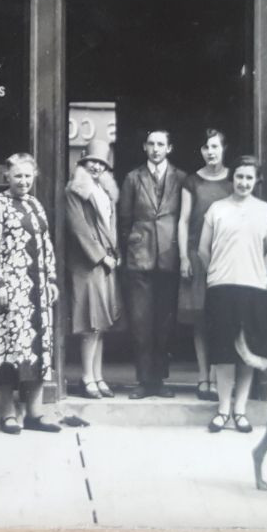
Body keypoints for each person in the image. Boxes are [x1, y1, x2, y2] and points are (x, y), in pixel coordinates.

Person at [0, 152, 62, 434]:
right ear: (7, 176)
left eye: (28, 176)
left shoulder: (36, 205)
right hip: (10, 292)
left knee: (38, 349)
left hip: (37, 291)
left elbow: (46, 245)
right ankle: (8, 413)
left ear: (34, 176)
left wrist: (51, 279)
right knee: (10, 350)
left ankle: (35, 413)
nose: (23, 181)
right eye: (18, 176)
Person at [197, 155, 267, 434]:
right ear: (232, 179)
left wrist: (261, 275)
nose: (243, 182)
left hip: (253, 289)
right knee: (222, 352)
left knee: (247, 352)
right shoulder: (217, 209)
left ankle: (240, 410)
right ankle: (222, 410)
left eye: (249, 178)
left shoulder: (264, 210)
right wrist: (215, 274)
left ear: (256, 181)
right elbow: (202, 249)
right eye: (240, 177)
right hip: (221, 288)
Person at [118, 129, 187, 399]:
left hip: (169, 256)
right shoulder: (133, 178)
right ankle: (144, 381)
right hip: (140, 258)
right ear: (144, 147)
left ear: (169, 148)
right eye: (151, 144)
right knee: (141, 322)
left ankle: (160, 381)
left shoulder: (181, 178)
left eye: (161, 144)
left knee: (164, 324)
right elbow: (124, 220)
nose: (156, 149)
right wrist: (132, 246)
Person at [177, 128, 232, 401]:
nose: (211, 152)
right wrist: (184, 257)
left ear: (223, 149)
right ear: (201, 152)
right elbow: (184, 221)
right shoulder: (192, 181)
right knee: (200, 319)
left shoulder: (235, 180)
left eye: (215, 147)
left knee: (221, 318)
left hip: (227, 257)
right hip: (198, 256)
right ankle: (202, 377)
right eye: (206, 148)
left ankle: (216, 378)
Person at [63, 138, 120, 400]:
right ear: (83, 162)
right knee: (90, 322)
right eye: (91, 162)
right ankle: (86, 377)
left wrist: (113, 254)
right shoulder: (75, 190)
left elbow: (111, 226)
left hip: (106, 262)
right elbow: (79, 229)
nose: (96, 167)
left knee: (102, 324)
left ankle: (98, 376)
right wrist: (100, 257)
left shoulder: (105, 191)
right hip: (88, 263)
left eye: (101, 163)